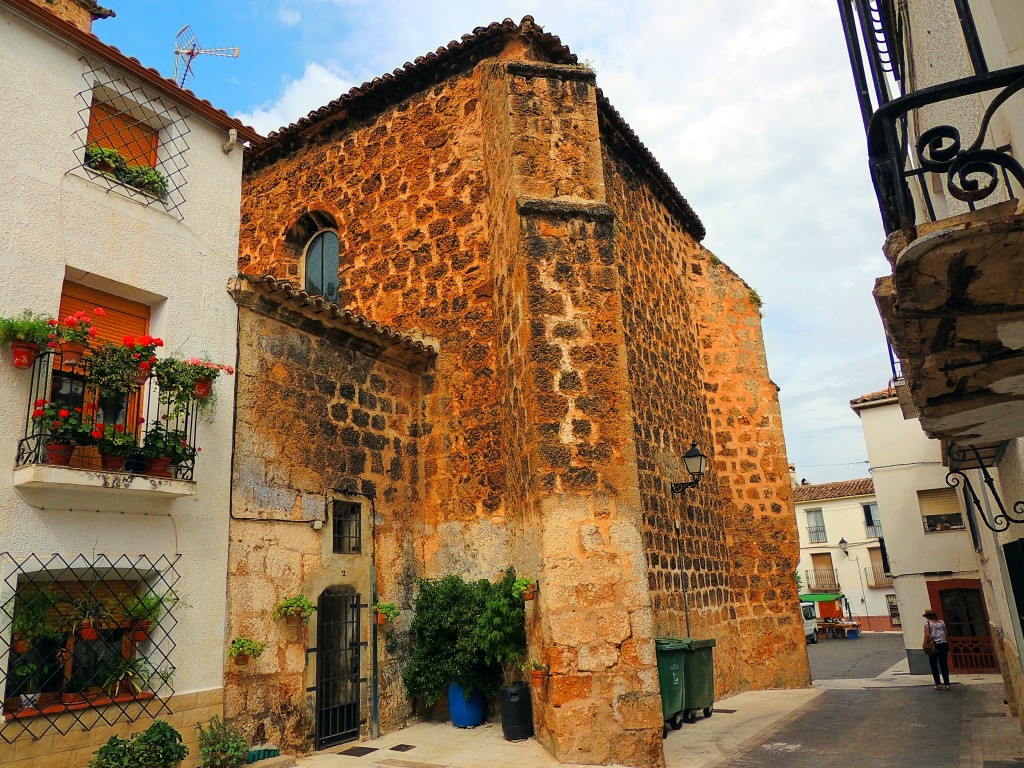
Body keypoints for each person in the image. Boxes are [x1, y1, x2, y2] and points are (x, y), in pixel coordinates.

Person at [924, 609, 950, 690]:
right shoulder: (942, 622)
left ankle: (938, 684)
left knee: (934, 665)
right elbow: (945, 634)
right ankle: (947, 684)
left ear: (927, 616)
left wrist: (925, 643)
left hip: (934, 646)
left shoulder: (927, 623)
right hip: (943, 644)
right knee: (944, 664)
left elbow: (927, 635)